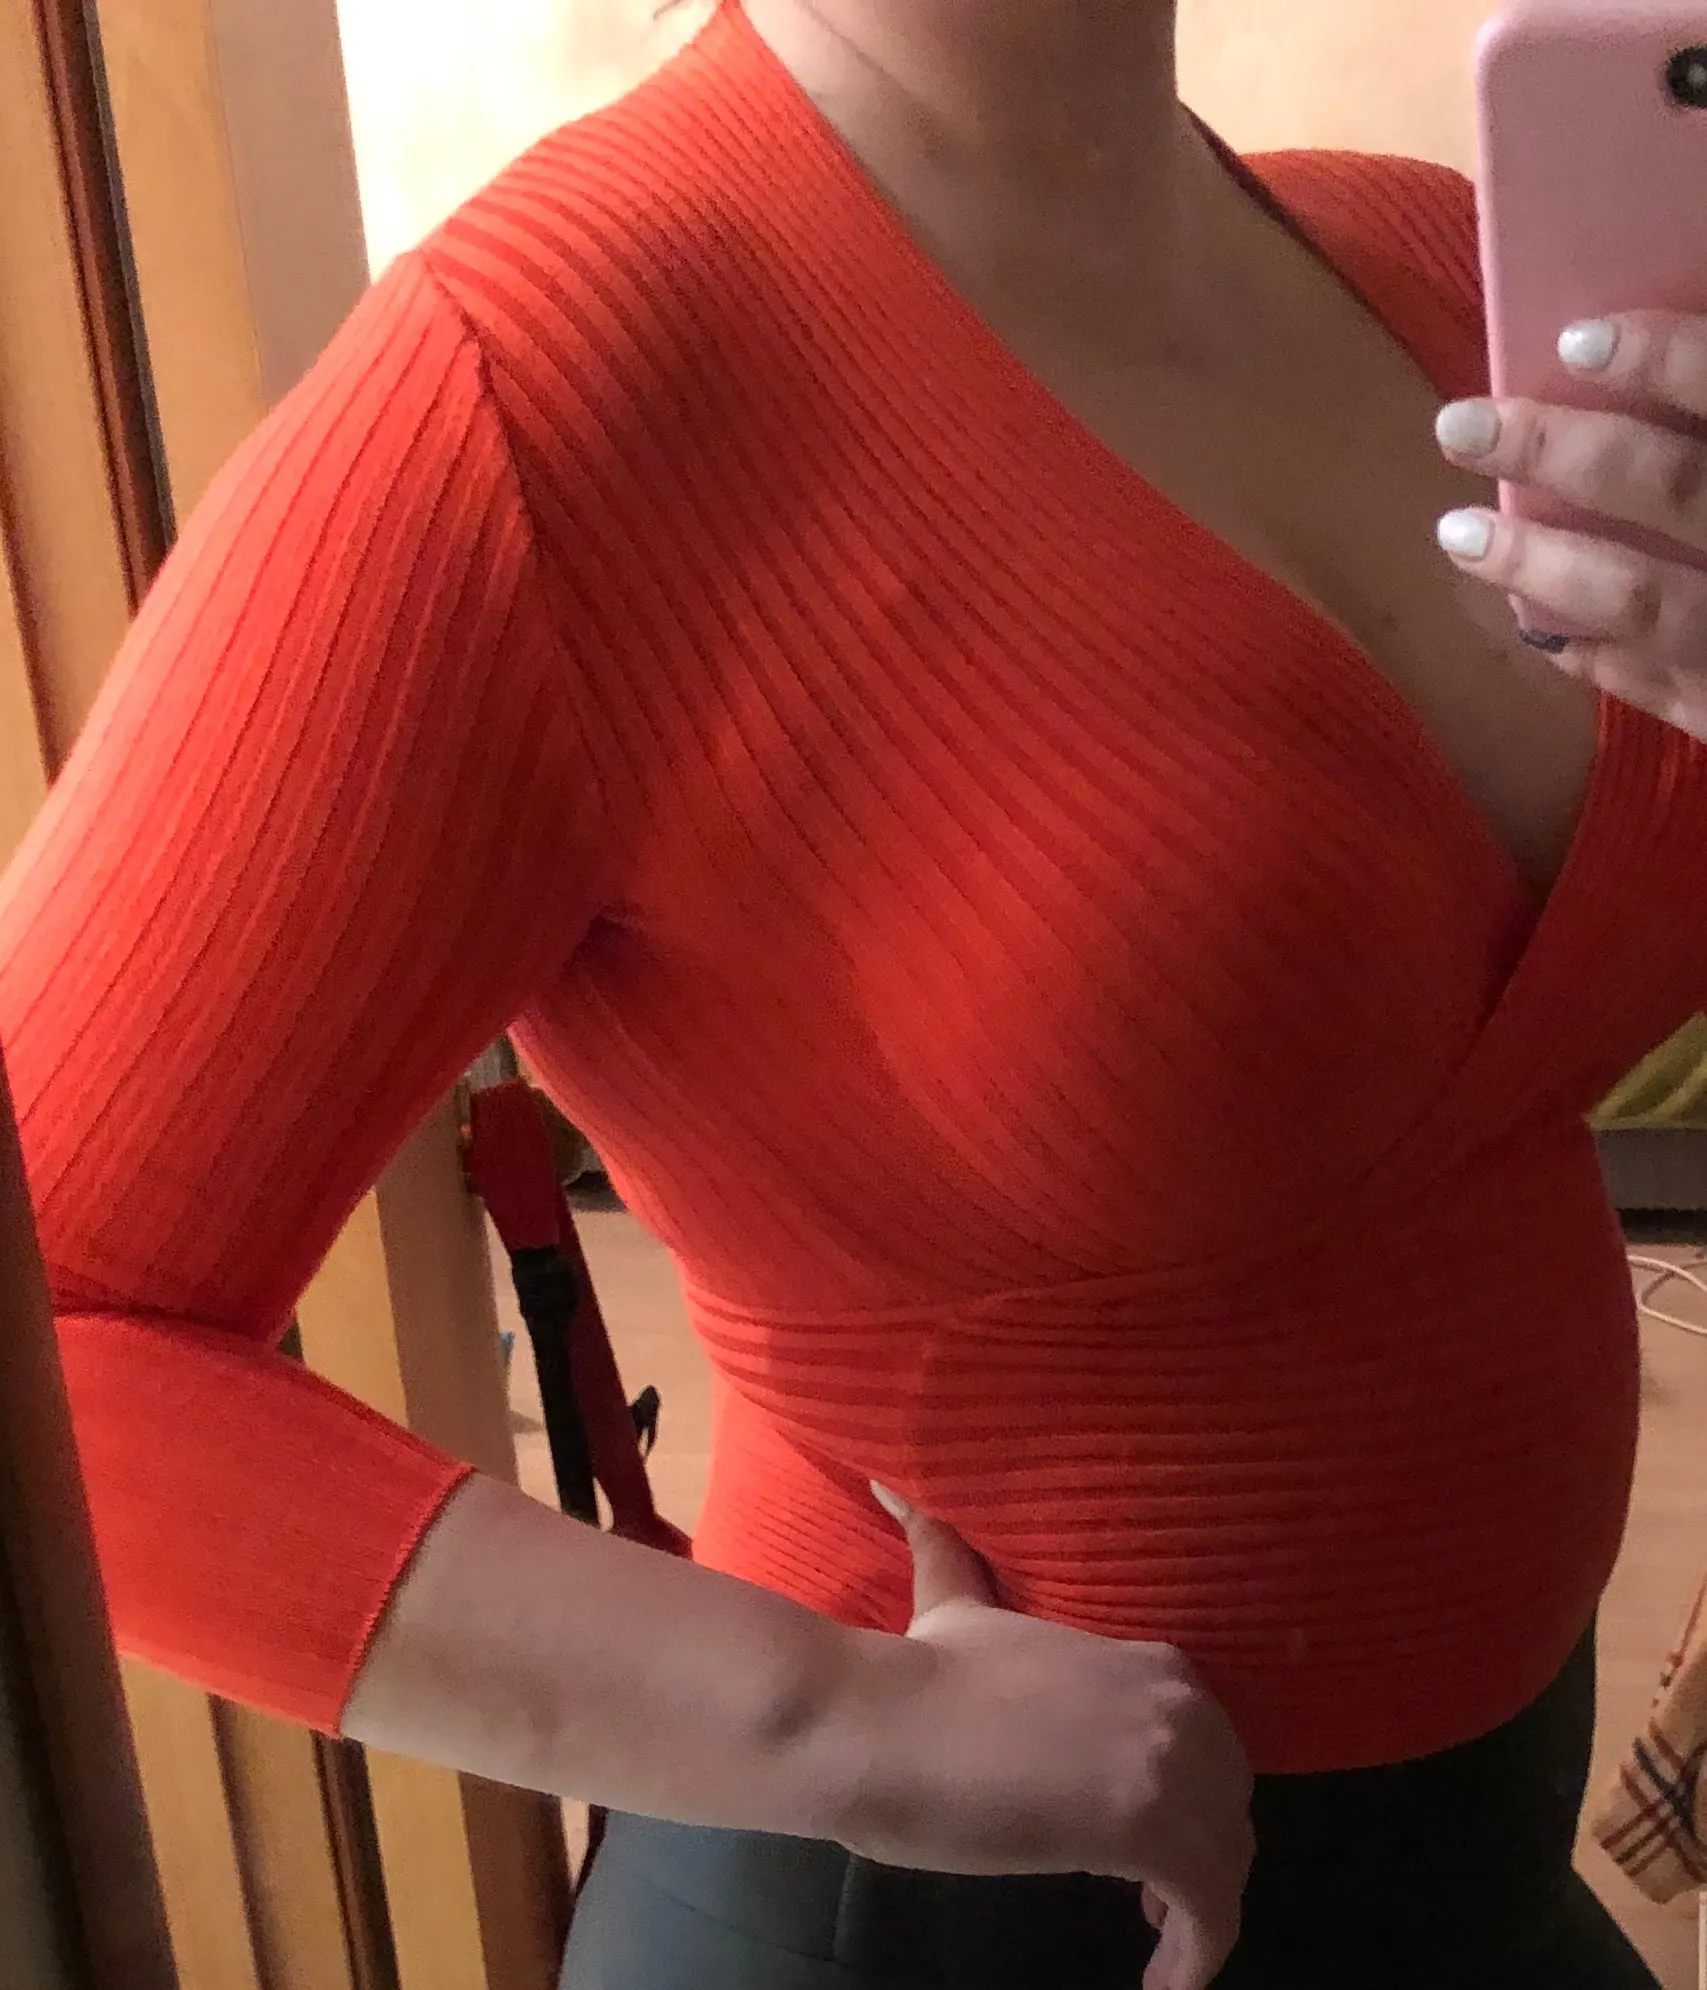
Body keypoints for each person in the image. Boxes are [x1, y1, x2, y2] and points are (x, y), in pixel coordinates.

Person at [2, 1, 1705, 1984]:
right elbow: (56, 1328)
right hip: (947, 1921)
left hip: (1480, 1880)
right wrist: (833, 1718)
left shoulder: (1454, 271)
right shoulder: (536, 395)